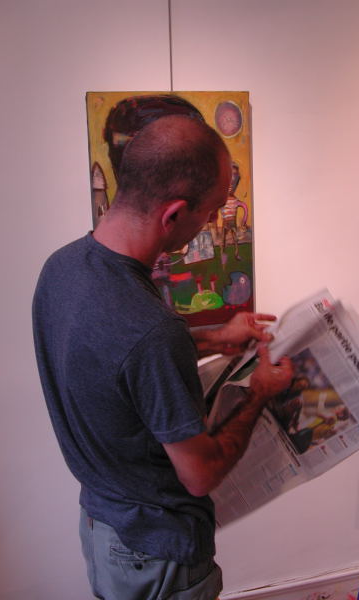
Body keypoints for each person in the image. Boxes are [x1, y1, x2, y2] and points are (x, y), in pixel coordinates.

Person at [32, 114, 293, 600]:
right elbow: (200, 475)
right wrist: (258, 394)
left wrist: (213, 338)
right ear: (173, 215)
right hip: (157, 554)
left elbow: (115, 356)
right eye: (211, 211)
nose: (212, 222)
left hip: (103, 527)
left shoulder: (62, 268)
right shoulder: (152, 331)